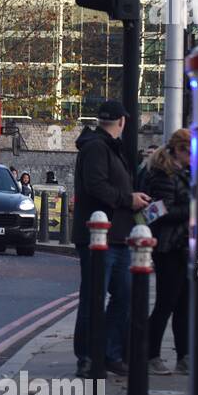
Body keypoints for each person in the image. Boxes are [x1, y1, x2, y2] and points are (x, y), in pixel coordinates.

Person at [71, 100, 151, 378]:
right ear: (123, 121)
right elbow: (96, 186)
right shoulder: (96, 147)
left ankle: (109, 353)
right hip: (97, 237)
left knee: (125, 296)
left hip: (119, 236)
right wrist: (128, 199)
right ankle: (87, 357)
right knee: (93, 297)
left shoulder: (110, 148)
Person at [142, 129, 192, 375]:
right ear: (180, 150)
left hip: (182, 247)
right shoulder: (164, 175)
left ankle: (184, 356)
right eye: (191, 152)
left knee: (184, 304)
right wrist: (192, 210)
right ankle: (151, 355)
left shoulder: (181, 173)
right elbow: (157, 212)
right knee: (166, 303)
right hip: (168, 248)